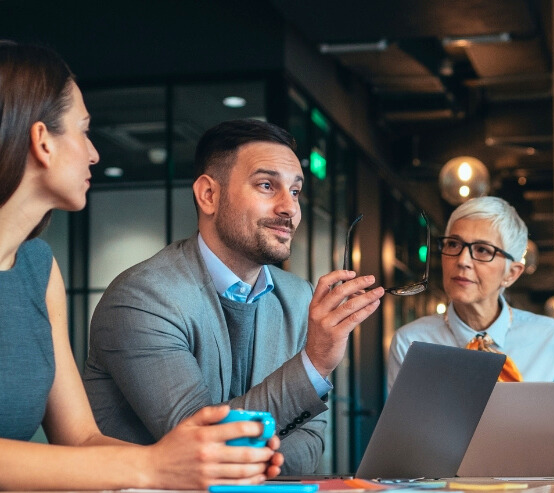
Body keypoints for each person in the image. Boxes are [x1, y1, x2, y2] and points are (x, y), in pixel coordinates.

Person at [0, 41, 282, 489]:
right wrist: (151, 467)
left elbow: (80, 439)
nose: (94, 153)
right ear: (42, 142)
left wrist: (194, 462)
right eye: (84, 131)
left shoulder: (38, 269)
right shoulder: (142, 295)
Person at [82, 119, 385, 474]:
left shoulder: (299, 296)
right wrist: (314, 364)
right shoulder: (143, 298)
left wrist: (249, 462)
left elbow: (312, 438)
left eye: (296, 191)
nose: (289, 207)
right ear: (209, 195)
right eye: (267, 185)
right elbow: (206, 443)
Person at [387, 196, 554, 388]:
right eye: (453, 244)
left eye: (483, 250)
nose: (462, 260)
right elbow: (402, 419)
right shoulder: (410, 342)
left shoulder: (551, 337)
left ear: (511, 273)